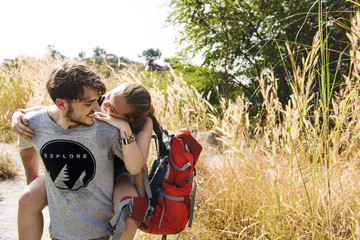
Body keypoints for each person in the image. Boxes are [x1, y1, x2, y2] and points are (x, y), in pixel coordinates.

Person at [11, 60, 153, 240]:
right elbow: (39, 123)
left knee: (128, 217)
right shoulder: (32, 123)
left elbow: (136, 168)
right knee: (26, 200)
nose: (99, 107)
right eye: (92, 102)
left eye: (98, 101)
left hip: (118, 174)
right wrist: (18, 113)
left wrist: (143, 197)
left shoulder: (114, 126)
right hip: (64, 220)